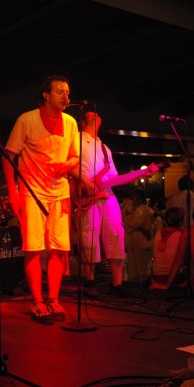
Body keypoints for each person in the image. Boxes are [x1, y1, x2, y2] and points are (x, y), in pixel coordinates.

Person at [2, 74, 80, 325]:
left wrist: (65, 165)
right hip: (32, 191)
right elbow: (8, 155)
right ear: (46, 95)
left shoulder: (70, 122)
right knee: (34, 248)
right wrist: (13, 192)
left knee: (59, 248)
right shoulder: (27, 120)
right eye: (60, 91)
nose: (66, 96)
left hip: (60, 191)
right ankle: (37, 301)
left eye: (67, 92)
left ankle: (53, 298)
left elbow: (75, 157)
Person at [72, 111, 132, 297]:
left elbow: (113, 176)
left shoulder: (105, 148)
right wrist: (85, 181)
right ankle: (90, 281)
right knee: (89, 236)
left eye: (97, 114)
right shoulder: (75, 139)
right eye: (90, 114)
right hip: (87, 194)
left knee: (116, 233)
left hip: (107, 194)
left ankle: (117, 284)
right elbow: (68, 164)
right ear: (82, 122)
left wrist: (138, 175)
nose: (94, 114)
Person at [123, 188, 155, 284]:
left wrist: (127, 217)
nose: (132, 201)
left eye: (134, 199)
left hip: (140, 242)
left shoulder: (141, 210)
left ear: (139, 200)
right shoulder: (146, 209)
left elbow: (135, 223)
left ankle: (140, 284)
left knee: (139, 265)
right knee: (139, 264)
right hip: (140, 242)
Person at [149, 207, 185, 288]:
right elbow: (180, 261)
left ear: (165, 220)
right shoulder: (180, 236)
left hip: (155, 278)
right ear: (181, 222)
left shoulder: (158, 233)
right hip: (171, 280)